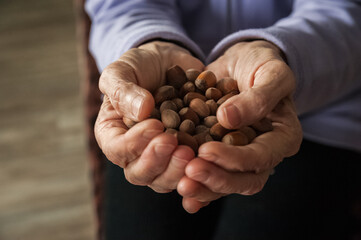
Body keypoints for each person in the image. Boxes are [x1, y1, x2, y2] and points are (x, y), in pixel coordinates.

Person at [85, 0, 361, 239]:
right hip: (154, 107)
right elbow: (119, 6)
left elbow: (348, 13)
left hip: (322, 110)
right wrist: (147, 43)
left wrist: (285, 55)